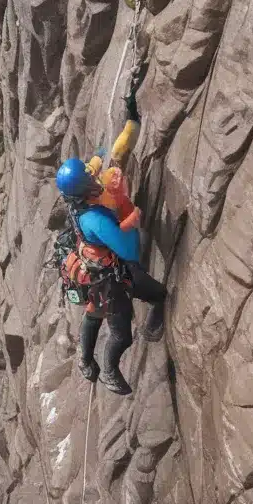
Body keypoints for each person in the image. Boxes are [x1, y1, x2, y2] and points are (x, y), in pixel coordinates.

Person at [54, 62, 166, 395]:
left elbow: (111, 152)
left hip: (96, 270)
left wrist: (132, 113)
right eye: (89, 179)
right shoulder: (95, 218)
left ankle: (84, 360)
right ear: (84, 189)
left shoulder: (81, 197)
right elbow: (130, 250)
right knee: (120, 333)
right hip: (110, 279)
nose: (94, 177)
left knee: (93, 313)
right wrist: (130, 214)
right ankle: (109, 371)